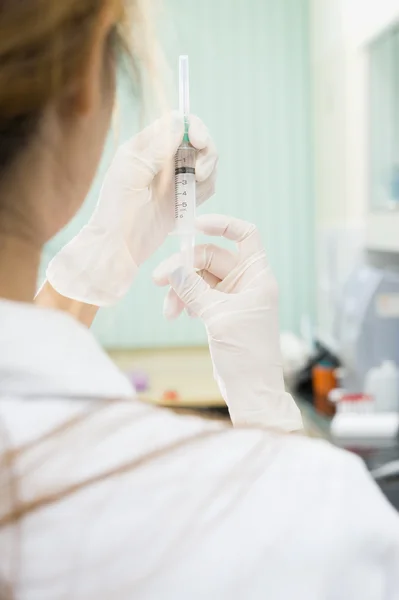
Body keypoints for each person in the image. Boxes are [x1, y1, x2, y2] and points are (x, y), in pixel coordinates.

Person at [0, 0, 398, 598]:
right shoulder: (308, 514)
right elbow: (317, 550)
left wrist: (96, 263)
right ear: (84, 83)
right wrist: (266, 407)